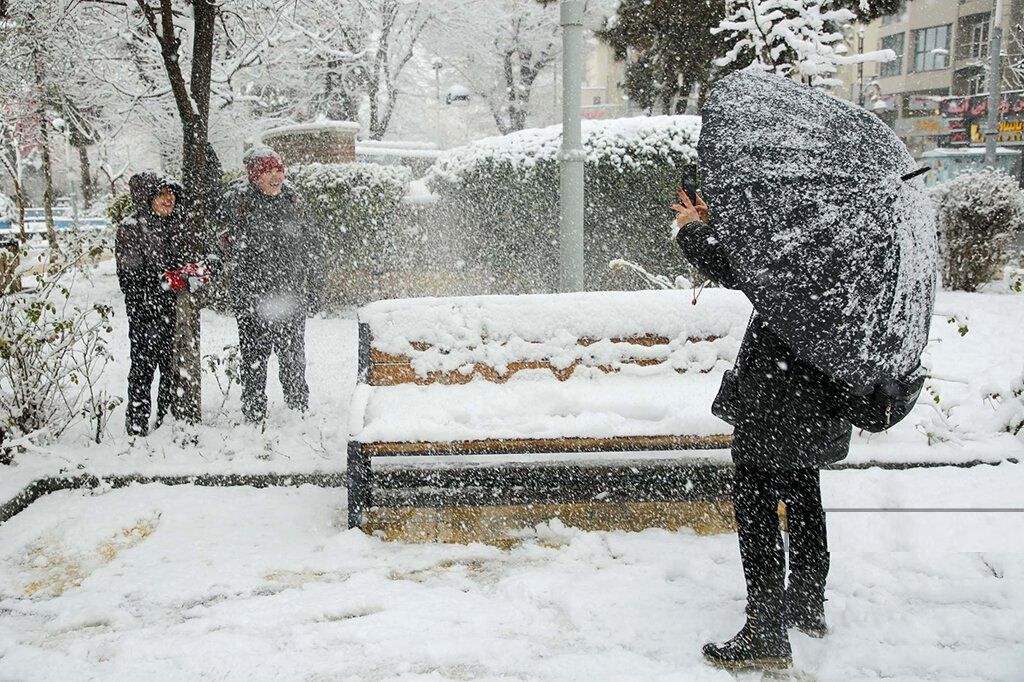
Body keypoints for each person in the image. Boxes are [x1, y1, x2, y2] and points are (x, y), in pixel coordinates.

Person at [672, 190, 851, 671]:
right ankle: (807, 603)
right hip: (817, 398)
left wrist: (693, 228)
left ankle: (766, 630)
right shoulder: (849, 246)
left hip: (776, 400)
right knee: (802, 492)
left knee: (755, 509)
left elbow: (737, 268)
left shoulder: (804, 240)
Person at [220, 146, 326, 423]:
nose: (276, 176)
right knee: (254, 358)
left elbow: (312, 247)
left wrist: (314, 287)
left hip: (289, 296)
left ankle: (297, 409)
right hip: (253, 297)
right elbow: (225, 245)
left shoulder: (293, 201)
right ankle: (254, 412)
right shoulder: (239, 202)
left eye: (279, 169)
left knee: (293, 357)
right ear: (255, 176)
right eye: (268, 171)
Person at [115, 172, 186, 436]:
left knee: (171, 370)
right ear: (147, 198)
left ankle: (166, 421)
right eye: (161, 194)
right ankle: (136, 425)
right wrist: (164, 281)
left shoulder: (176, 225)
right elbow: (130, 275)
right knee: (143, 370)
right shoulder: (131, 229)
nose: (169, 199)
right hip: (145, 312)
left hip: (173, 311)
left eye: (171, 194)